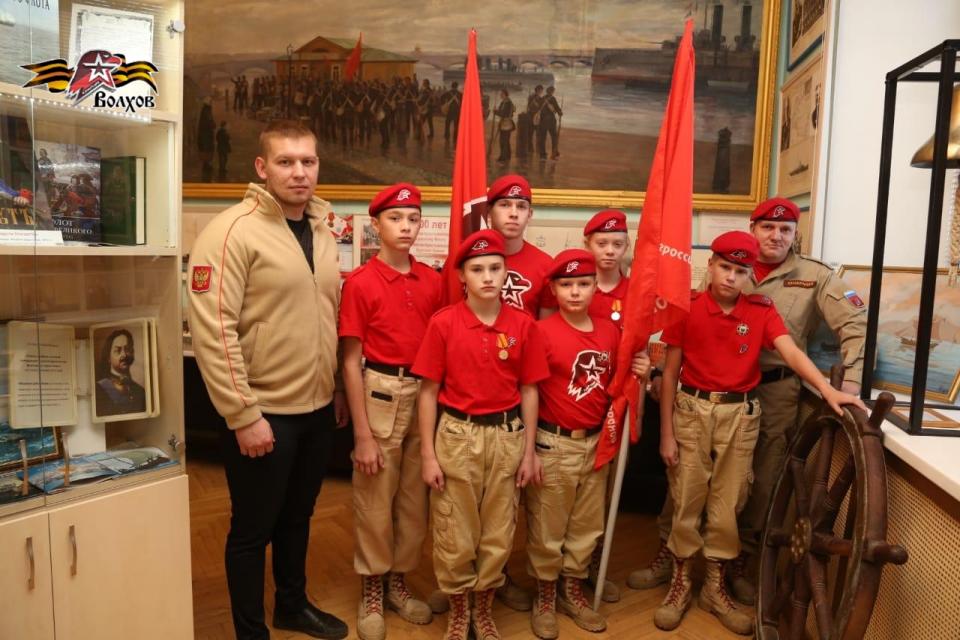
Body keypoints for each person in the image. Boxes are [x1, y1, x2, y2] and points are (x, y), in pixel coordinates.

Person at [629, 198, 868, 605]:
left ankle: (733, 565)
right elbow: (681, 346)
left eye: (786, 229)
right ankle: (672, 554)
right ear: (752, 230)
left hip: (769, 392)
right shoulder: (719, 278)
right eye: (768, 227)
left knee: (753, 482)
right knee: (686, 479)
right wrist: (659, 381)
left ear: (795, 235)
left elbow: (837, 329)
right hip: (700, 395)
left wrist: (844, 384)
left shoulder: (811, 278)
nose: (776, 236)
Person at [187, 120, 349, 640]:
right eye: (286, 162)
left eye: (308, 161)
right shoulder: (231, 232)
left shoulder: (322, 230)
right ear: (262, 167)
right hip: (264, 414)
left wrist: (336, 389)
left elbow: (328, 315)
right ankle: (250, 630)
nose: (300, 172)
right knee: (252, 529)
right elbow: (214, 330)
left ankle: (292, 606)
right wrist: (243, 415)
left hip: (316, 409)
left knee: (298, 517)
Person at [413, 229, 550, 640]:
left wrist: (529, 452)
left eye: (495, 268)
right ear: (462, 276)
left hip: (506, 436)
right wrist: (428, 456)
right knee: (455, 528)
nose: (487, 277)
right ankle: (459, 609)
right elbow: (428, 393)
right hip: (458, 435)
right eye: (477, 269)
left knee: (498, 530)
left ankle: (484, 607)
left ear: (506, 272)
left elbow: (529, 390)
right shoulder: (444, 323)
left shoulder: (523, 325)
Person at [525, 249, 650, 639]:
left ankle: (572, 588)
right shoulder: (541, 332)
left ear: (596, 286)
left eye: (583, 284)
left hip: (596, 442)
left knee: (586, 525)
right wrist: (529, 450)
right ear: (553, 289)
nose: (576, 292)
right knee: (549, 524)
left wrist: (642, 371)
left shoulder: (610, 332)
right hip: (554, 443)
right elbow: (529, 391)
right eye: (567, 285)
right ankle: (545, 594)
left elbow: (619, 384)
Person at [339, 183, 441, 640]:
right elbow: (350, 360)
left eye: (413, 219)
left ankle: (399, 579)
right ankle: (372, 584)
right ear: (376, 225)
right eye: (396, 218)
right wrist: (362, 435)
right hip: (380, 390)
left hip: (426, 393)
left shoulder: (432, 281)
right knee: (375, 497)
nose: (406, 227)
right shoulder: (361, 282)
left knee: (414, 499)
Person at [486, 174, 556, 320]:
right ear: (489, 213)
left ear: (529, 214)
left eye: (521, 206)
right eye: (504, 205)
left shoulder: (546, 266)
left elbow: (546, 328)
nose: (514, 214)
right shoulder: (467, 261)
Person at [583, 209, 630, 331]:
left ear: (626, 247)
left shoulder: (635, 292)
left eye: (618, 244)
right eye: (601, 244)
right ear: (588, 245)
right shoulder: (576, 290)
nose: (610, 251)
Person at [94, 328, 147, 416]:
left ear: (132, 353)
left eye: (127, 349)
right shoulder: (99, 389)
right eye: (118, 351)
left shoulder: (140, 391)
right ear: (108, 357)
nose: (124, 355)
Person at [537, 86, 562, 160]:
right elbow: (557, 108)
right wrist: (560, 112)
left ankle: (542, 155)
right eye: (553, 91)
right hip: (551, 121)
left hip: (543, 121)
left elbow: (538, 109)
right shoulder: (552, 98)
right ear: (552, 92)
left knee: (542, 138)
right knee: (554, 137)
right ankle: (554, 152)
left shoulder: (542, 99)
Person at [494, 89, 516, 163]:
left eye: (502, 94)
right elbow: (501, 112)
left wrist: (496, 112)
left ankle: (503, 157)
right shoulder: (503, 102)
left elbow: (504, 113)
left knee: (504, 141)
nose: (501, 95)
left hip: (507, 124)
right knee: (504, 141)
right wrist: (496, 111)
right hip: (503, 123)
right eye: (501, 94)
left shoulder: (509, 103)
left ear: (505, 95)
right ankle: (507, 156)